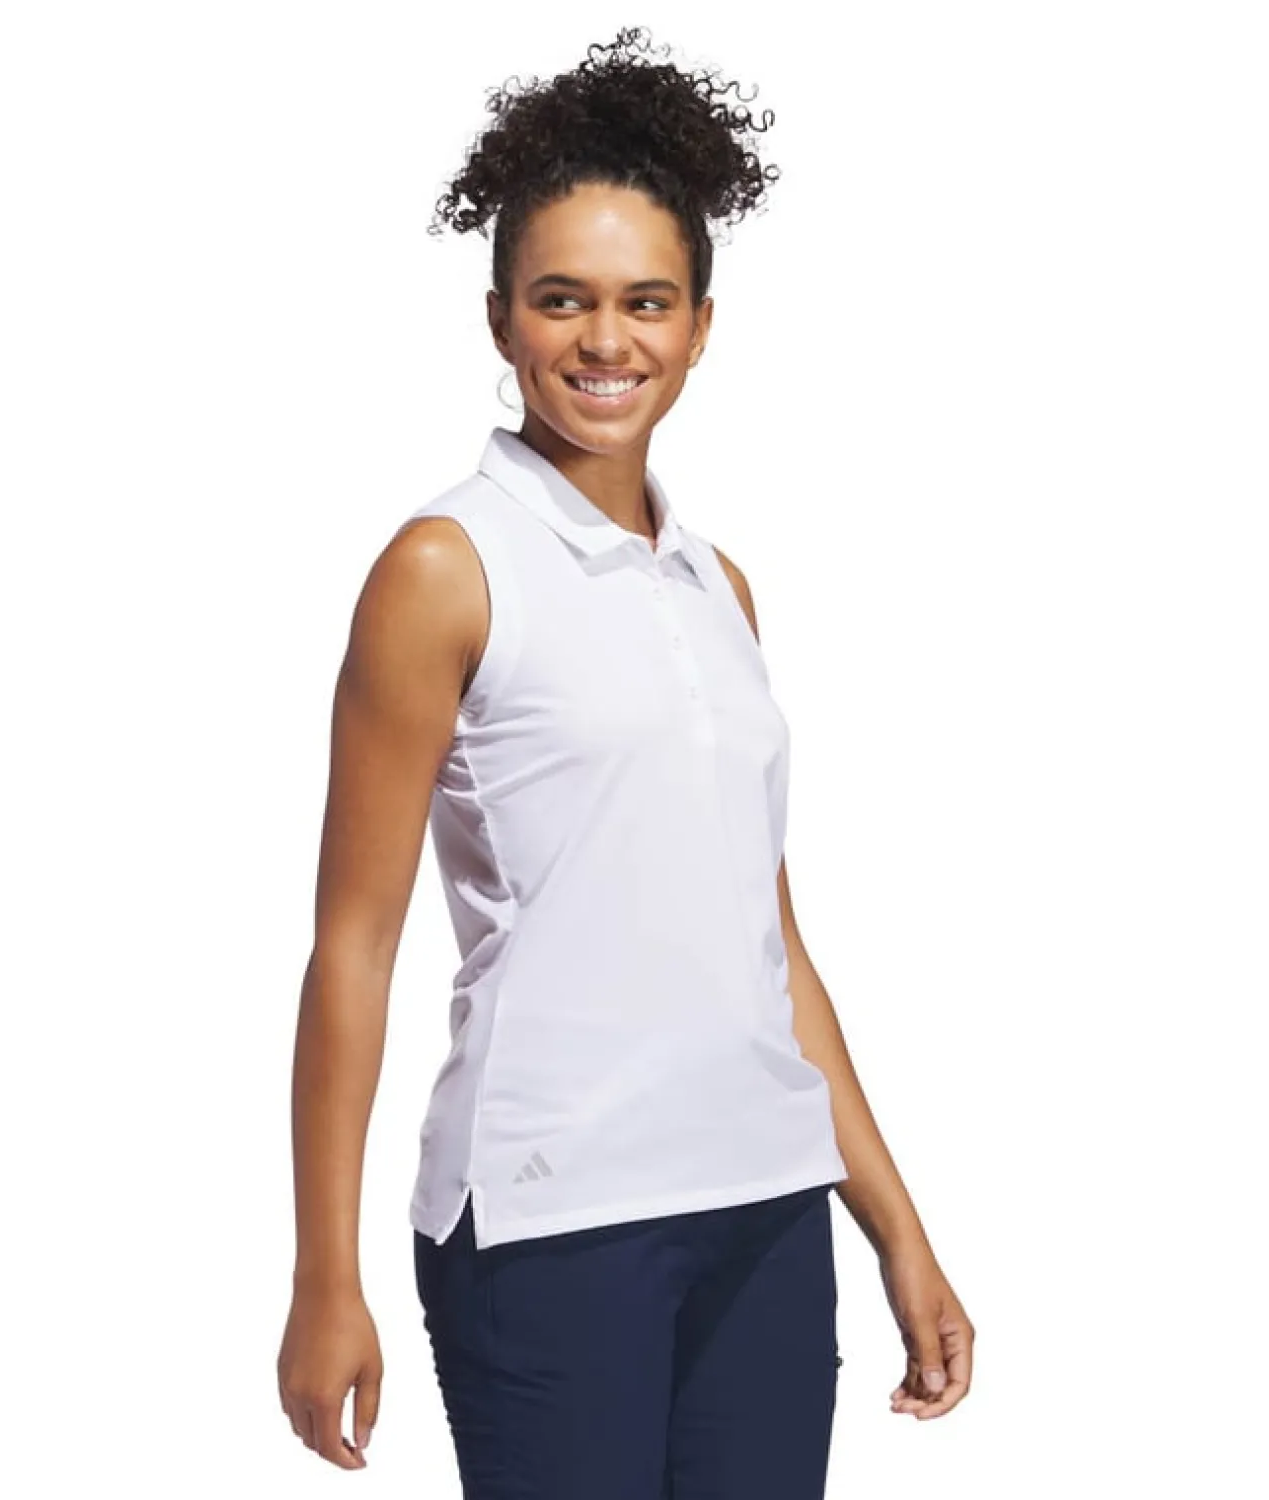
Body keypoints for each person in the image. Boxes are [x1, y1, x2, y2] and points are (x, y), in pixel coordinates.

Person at [277, 25, 974, 1496]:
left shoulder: (720, 589)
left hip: (767, 1212)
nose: (607, 342)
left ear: (701, 326)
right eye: (564, 301)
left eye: (646, 302)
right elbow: (354, 946)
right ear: (500, 319)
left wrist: (897, 1229)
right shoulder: (445, 568)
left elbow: (771, 946)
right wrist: (324, 1272)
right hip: (551, 1221)